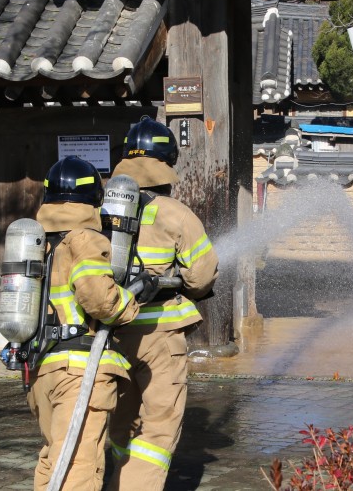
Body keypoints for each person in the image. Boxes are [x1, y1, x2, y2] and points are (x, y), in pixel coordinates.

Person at [105, 116, 219, 491]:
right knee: (158, 426)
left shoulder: (100, 212)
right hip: (160, 335)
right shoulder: (174, 213)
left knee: (122, 423)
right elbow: (201, 277)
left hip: (111, 334)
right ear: (165, 162)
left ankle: (117, 481)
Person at [27, 155, 139, 491]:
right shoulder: (84, 238)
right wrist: (131, 300)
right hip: (79, 373)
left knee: (53, 459)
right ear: (95, 199)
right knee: (78, 465)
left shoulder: (39, 241)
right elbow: (99, 299)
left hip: (43, 371)